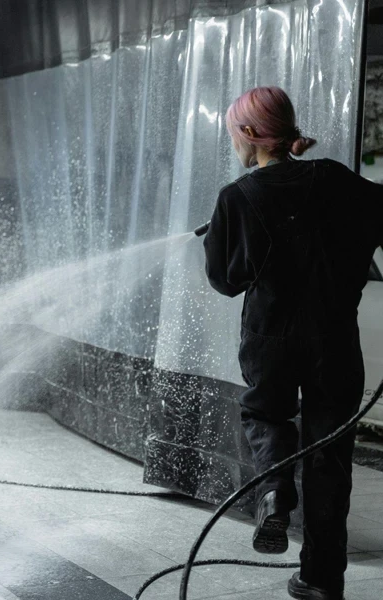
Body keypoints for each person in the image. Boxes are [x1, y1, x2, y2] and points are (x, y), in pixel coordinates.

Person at [203, 86, 383, 600]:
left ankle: (275, 497)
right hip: (335, 341)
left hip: (271, 339)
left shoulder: (237, 196)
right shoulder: (337, 179)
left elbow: (226, 280)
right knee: (330, 456)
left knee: (265, 417)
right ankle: (321, 580)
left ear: (250, 135)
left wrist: (226, 231)